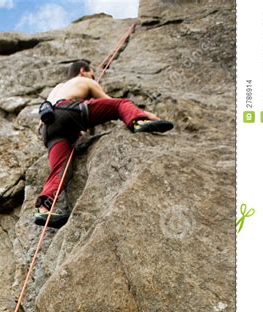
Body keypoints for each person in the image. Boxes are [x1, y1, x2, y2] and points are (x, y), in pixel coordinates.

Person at [34, 59, 174, 228]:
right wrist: (143, 113)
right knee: (121, 103)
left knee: (62, 170)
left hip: (48, 128)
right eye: (92, 73)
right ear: (82, 71)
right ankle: (138, 123)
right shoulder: (84, 80)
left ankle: (43, 209)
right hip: (68, 111)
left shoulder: (57, 89)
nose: (94, 77)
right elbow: (110, 102)